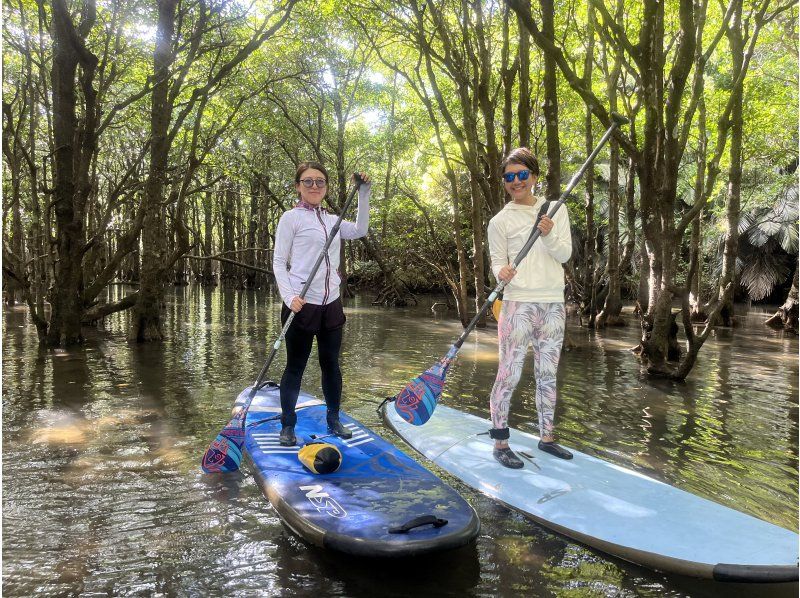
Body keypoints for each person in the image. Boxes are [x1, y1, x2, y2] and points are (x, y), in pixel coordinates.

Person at [272, 162, 371, 446]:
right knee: (295, 367)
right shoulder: (291, 218)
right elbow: (279, 262)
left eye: (320, 181)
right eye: (308, 181)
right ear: (298, 186)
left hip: (331, 304)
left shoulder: (333, 221)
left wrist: (363, 192)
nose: (314, 186)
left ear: (326, 187)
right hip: (301, 304)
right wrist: (289, 297)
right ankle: (288, 425)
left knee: (331, 365)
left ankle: (334, 418)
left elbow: (361, 229)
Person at [486, 147, 573, 468]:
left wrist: (548, 235)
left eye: (522, 174)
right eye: (509, 177)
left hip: (552, 303)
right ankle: (500, 442)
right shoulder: (499, 221)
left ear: (534, 177)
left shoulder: (556, 210)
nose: (516, 181)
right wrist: (502, 272)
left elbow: (564, 254)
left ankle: (547, 437)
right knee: (508, 373)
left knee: (547, 374)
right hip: (517, 304)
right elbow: (497, 262)